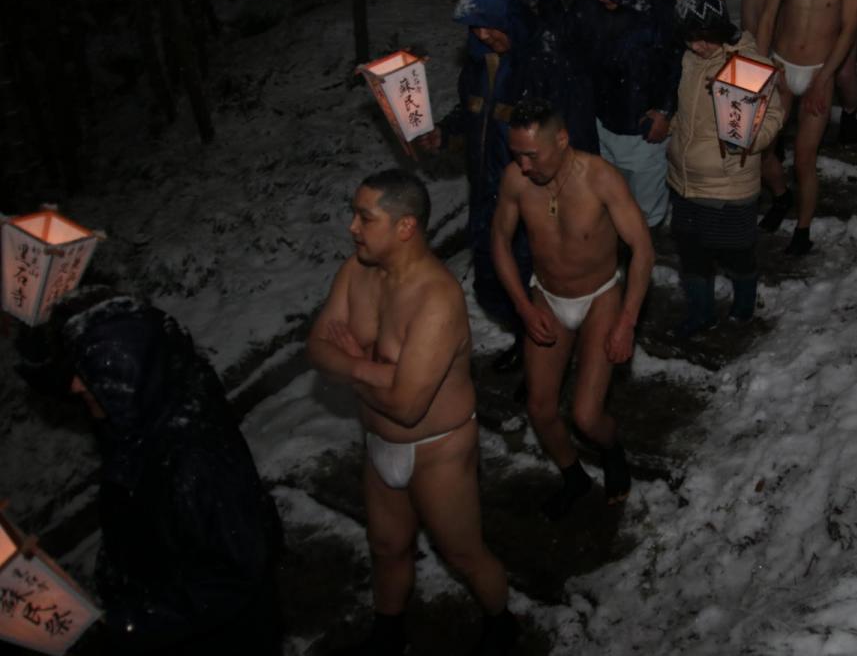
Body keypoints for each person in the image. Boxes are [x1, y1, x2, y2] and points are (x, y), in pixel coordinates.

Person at [307, 170, 517, 656]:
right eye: (354, 215)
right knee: (386, 547)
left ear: (405, 227)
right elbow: (316, 350)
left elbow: (407, 406)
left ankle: (502, 626)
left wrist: (353, 364)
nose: (352, 228)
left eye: (365, 217)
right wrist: (375, 369)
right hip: (378, 445)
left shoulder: (436, 297)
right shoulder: (355, 272)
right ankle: (388, 634)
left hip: (436, 451)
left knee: (463, 553)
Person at [51, 290, 282, 656]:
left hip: (216, 640)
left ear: (127, 371)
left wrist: (129, 625)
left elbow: (230, 575)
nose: (76, 385)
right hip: (163, 601)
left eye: (88, 372)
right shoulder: (139, 405)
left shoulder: (196, 461)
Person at [491, 98, 654, 519]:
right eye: (516, 155)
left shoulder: (601, 178)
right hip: (547, 296)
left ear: (561, 140)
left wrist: (627, 322)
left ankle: (612, 449)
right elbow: (499, 244)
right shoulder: (516, 180)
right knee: (540, 409)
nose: (523, 166)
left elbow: (642, 249)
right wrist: (524, 309)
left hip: (599, 296)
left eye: (531, 155)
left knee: (585, 416)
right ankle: (574, 477)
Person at [667, 0, 785, 334]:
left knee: (737, 255)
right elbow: (682, 108)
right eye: (690, 39)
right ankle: (700, 314)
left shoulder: (746, 66)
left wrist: (747, 138)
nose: (697, 46)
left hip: (728, 186)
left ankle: (744, 306)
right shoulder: (688, 60)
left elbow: (775, 117)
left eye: (704, 38)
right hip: (685, 181)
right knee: (692, 257)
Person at [538, 0, 683, 228]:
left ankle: (644, 253)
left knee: (645, 206)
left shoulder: (658, 7)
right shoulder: (588, 3)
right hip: (602, 122)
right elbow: (561, 41)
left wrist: (666, 111)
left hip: (644, 127)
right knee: (610, 197)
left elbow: (677, 63)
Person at [757, 0, 857, 256]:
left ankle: (802, 231)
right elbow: (769, 16)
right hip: (782, 63)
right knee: (762, 146)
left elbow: (849, 29)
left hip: (820, 68)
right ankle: (780, 196)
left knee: (804, 156)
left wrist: (824, 79)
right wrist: (764, 64)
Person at [447, 0, 538, 375]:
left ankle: (540, 357)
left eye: (489, 24)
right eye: (475, 27)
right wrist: (443, 133)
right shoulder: (475, 67)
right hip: (484, 192)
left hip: (525, 198)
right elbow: (468, 115)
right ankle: (525, 338)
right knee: (490, 280)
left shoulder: (537, 65)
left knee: (527, 280)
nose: (482, 34)